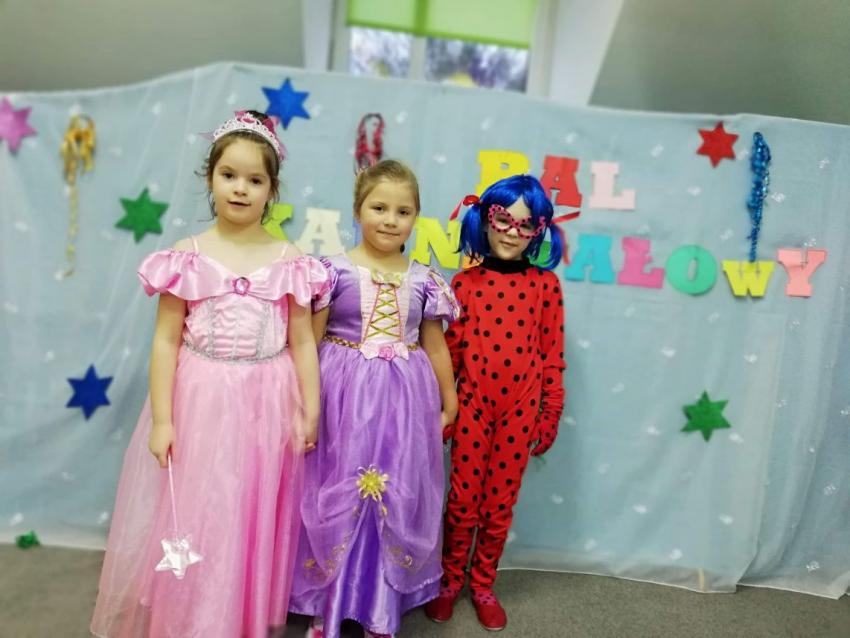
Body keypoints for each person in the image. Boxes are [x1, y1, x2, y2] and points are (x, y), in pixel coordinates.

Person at [90, 110, 328, 638]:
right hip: (201, 398)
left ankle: (234, 616)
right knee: (201, 508)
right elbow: (165, 340)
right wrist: (162, 420)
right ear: (210, 178)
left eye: (255, 180)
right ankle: (192, 618)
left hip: (267, 400)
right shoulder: (188, 256)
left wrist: (310, 408)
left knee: (246, 509)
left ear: (272, 190)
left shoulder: (289, 258)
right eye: (229, 175)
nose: (240, 188)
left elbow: (302, 340)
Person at [289, 159, 460, 638]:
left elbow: (435, 345)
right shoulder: (331, 272)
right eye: (379, 207)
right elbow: (310, 342)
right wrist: (302, 400)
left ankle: (379, 610)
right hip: (342, 395)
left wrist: (449, 399)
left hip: (404, 401)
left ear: (416, 217)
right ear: (357, 209)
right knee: (340, 490)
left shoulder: (424, 280)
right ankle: (328, 604)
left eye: (403, 211)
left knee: (391, 492)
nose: (390, 220)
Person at [424, 174, 567, 631]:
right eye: (503, 220)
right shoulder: (465, 284)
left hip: (520, 412)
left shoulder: (546, 287)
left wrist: (550, 412)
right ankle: (450, 581)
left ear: (538, 231)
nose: (511, 232)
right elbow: (451, 353)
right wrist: (446, 409)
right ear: (485, 220)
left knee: (499, 503)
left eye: (525, 225)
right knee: (462, 500)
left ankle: (483, 584)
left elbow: (552, 356)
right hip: (473, 406)